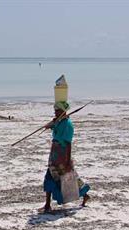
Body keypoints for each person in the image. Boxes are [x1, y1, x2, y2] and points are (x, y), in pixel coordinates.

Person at [40, 76, 90, 213]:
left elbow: (68, 144)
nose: (55, 112)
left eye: (57, 111)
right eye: (54, 111)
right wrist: (51, 125)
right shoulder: (59, 122)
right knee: (50, 176)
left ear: (63, 111)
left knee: (68, 178)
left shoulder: (67, 124)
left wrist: (68, 160)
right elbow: (54, 128)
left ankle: (84, 195)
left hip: (62, 155)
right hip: (54, 153)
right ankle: (47, 205)